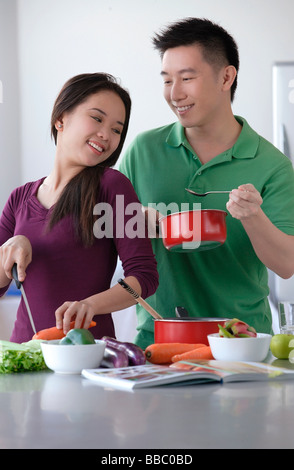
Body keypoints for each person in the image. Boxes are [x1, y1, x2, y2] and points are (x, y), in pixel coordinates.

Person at [119, 18, 294, 349]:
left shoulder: (273, 166)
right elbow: (97, 229)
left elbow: (286, 265)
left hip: (242, 342)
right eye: (167, 80)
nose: (175, 93)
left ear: (226, 77)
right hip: (157, 341)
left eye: (186, 78)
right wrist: (130, 221)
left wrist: (253, 216)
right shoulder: (143, 151)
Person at [0, 73, 158, 343]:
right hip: (24, 355)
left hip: (87, 355)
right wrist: (14, 245)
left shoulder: (112, 186)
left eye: (117, 129)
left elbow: (144, 278)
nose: (105, 135)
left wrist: (92, 305)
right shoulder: (19, 198)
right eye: (97, 118)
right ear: (61, 118)